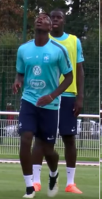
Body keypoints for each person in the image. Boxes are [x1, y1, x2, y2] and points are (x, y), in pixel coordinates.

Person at [13, 12, 73, 198]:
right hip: (29, 100)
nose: (41, 19)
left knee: (48, 151)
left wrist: (52, 95)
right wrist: (18, 81)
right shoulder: (23, 50)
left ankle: (54, 174)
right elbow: (21, 72)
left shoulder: (58, 50)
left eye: (45, 19)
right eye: (37, 18)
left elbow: (69, 77)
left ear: (50, 27)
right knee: (25, 139)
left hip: (50, 105)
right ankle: (29, 187)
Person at [31, 8, 85, 194]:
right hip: (46, 97)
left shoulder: (74, 41)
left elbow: (79, 70)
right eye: (52, 17)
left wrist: (80, 97)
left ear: (64, 21)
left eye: (58, 17)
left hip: (68, 96)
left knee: (69, 138)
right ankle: (36, 180)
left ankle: (71, 182)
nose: (55, 20)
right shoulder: (42, 40)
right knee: (41, 139)